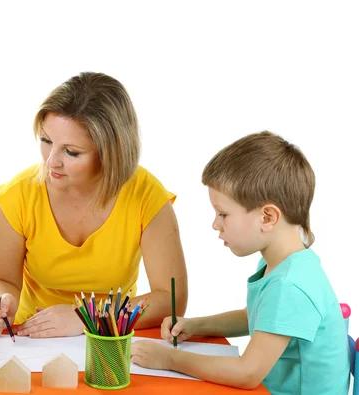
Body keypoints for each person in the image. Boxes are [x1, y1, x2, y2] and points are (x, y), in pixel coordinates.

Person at [131, 131, 350, 394]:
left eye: (223, 213)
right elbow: (255, 318)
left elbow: (247, 374)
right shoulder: (284, 264)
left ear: (267, 217)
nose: (215, 224)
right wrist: (194, 325)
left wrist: (168, 359)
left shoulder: (290, 286)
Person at [0, 71, 188, 339]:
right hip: (31, 339)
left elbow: (170, 300)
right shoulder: (19, 194)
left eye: (71, 152)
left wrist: (86, 317)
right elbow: (0, 278)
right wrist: (1, 302)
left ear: (110, 154)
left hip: (110, 339)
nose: (51, 161)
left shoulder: (146, 195)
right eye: (46, 141)